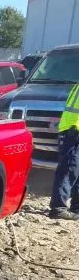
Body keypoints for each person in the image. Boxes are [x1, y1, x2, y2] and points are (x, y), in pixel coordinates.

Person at [50, 82, 79, 220]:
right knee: (68, 170)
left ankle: (76, 207)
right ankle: (58, 208)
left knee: (75, 170)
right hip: (73, 131)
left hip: (71, 130)